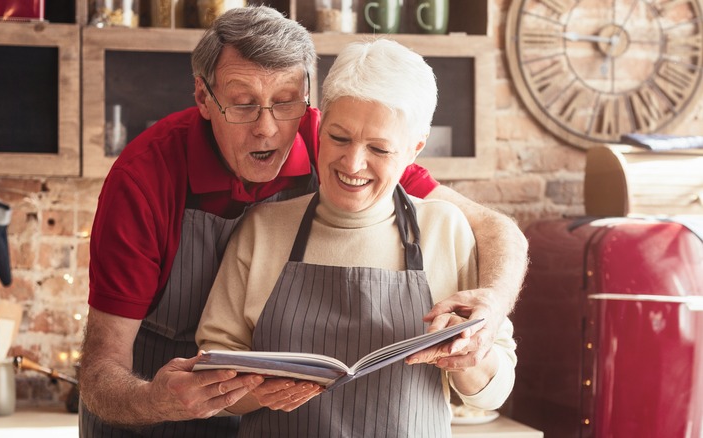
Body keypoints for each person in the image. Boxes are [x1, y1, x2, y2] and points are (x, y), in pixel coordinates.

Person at [79, 6, 527, 437]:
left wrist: (488, 314)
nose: (267, 128)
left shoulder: (343, 138)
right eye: (242, 104)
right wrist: (159, 401)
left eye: (286, 102)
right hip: (151, 418)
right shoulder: (145, 180)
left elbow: (496, 230)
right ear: (204, 97)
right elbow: (101, 370)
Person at [195, 38, 517, 437]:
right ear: (320, 125)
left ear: (414, 149)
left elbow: (496, 391)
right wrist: (259, 391)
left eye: (379, 148)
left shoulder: (446, 230)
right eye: (339, 138)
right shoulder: (262, 230)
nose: (353, 164)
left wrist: (469, 359)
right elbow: (211, 376)